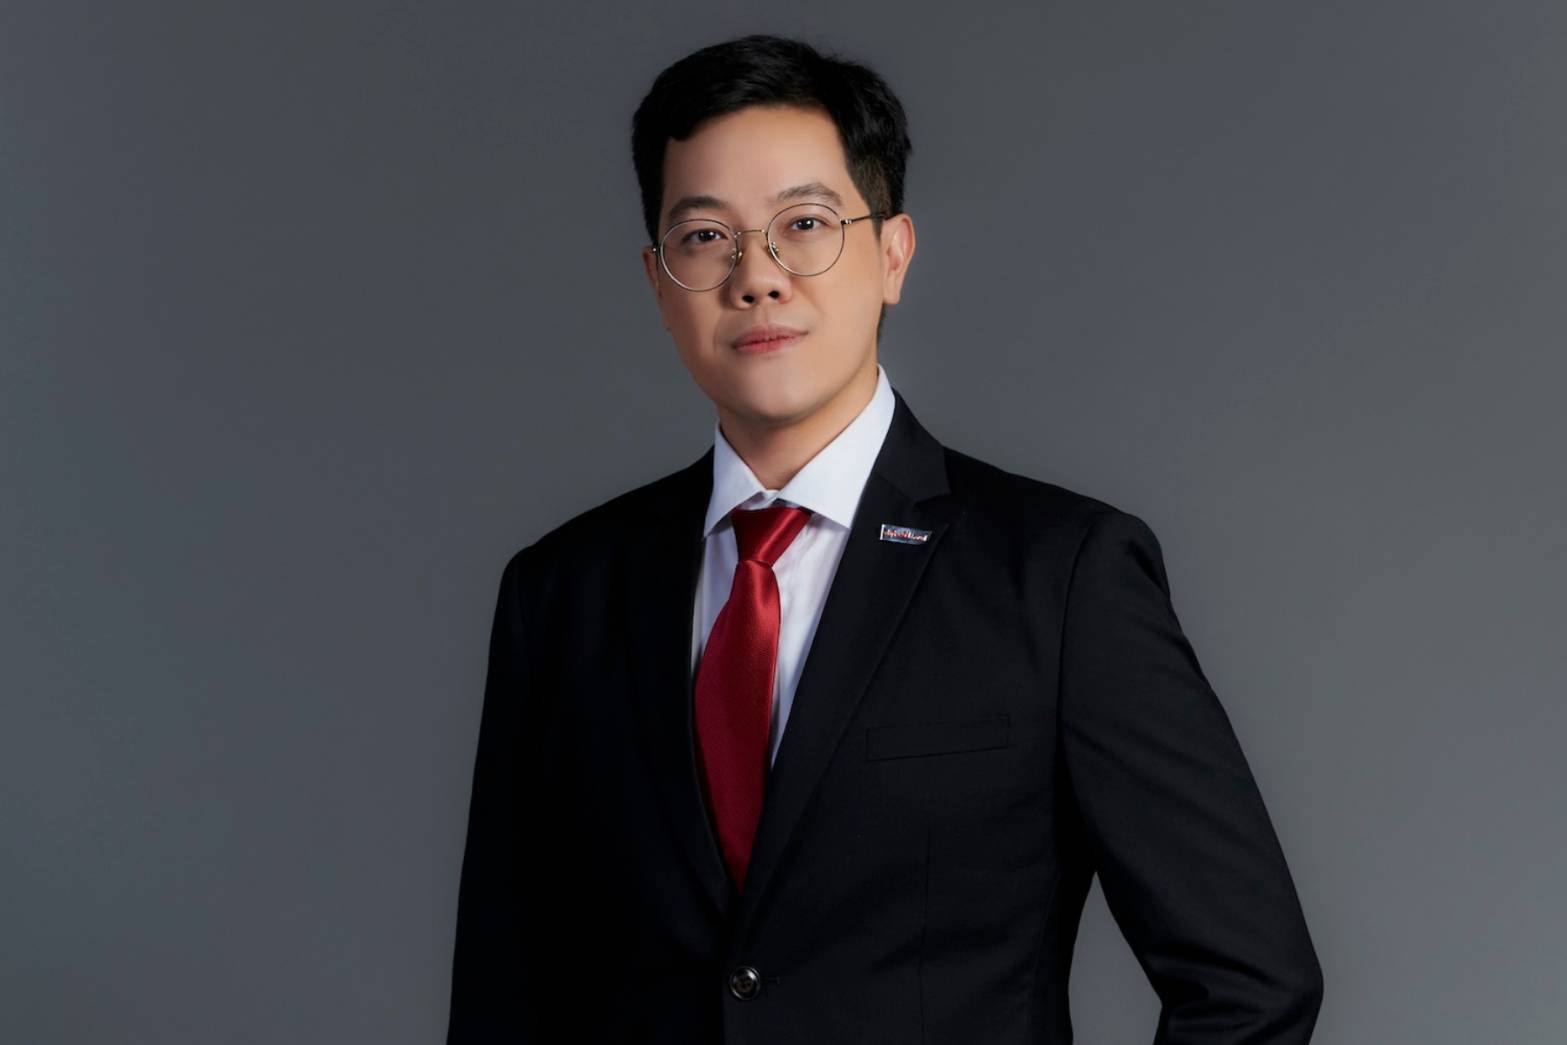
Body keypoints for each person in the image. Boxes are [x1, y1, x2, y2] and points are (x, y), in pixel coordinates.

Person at [446, 32, 1323, 1045]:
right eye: (705, 236)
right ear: (656, 279)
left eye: (803, 224)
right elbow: (503, 998)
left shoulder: (1057, 576)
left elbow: (1251, 982)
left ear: (892, 254)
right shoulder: (563, 592)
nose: (756, 277)